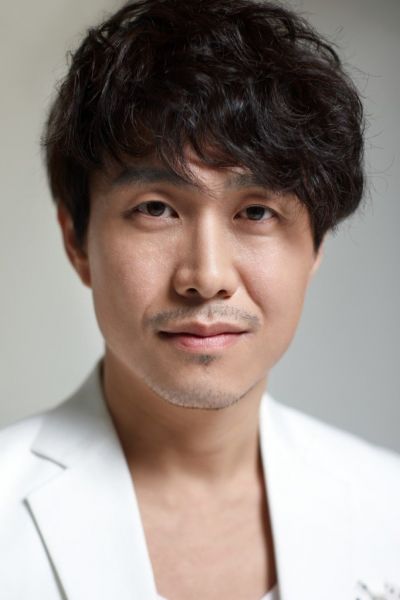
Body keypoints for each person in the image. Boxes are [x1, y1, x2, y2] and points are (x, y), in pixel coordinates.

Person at [1, 0, 399, 598]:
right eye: (156, 209)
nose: (206, 276)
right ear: (76, 241)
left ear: (317, 245)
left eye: (256, 212)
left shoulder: (388, 507)